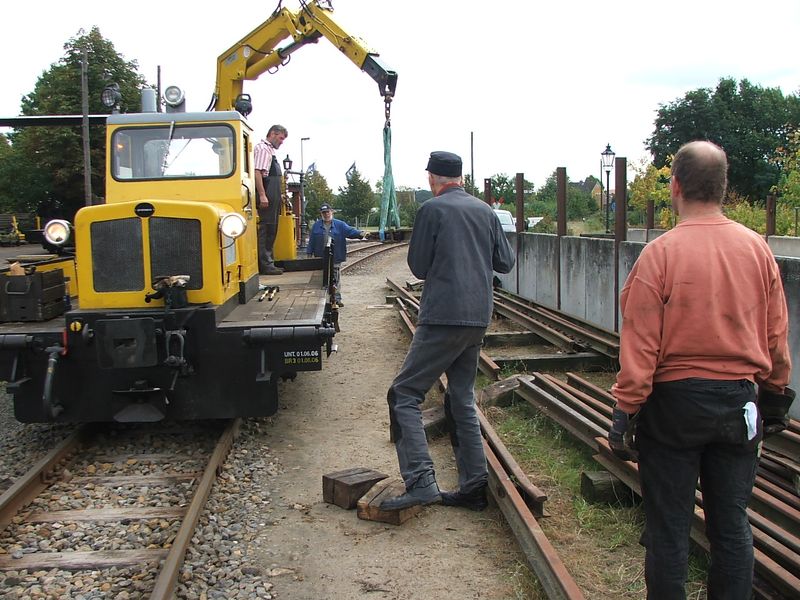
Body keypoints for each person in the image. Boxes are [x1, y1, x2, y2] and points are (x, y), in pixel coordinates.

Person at [609, 140, 793, 599]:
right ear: (723, 187)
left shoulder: (661, 254)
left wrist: (625, 410)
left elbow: (641, 345)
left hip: (674, 408)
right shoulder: (757, 249)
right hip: (739, 406)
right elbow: (776, 337)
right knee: (732, 527)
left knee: (669, 528)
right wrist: (773, 399)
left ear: (675, 187)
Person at [380, 151, 515, 511]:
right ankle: (473, 487)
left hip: (443, 316)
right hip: (477, 316)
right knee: (461, 398)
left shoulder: (432, 210)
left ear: (432, 179)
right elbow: (506, 261)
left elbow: (419, 266)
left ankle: (421, 481)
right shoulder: (485, 211)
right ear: (460, 178)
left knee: (404, 393)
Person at [306, 203, 368, 307]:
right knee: (321, 277)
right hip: (320, 256)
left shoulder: (340, 225)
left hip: (335, 256)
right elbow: (311, 240)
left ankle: (336, 299)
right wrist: (309, 252)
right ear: (321, 214)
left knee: (335, 277)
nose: (326, 214)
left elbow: (350, 231)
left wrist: (360, 234)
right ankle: (322, 298)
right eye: (324, 213)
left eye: (328, 212)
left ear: (332, 212)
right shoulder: (316, 225)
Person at [254, 125, 288, 275]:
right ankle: (265, 264)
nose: (281, 142)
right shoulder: (262, 148)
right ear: (273, 134)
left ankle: (269, 262)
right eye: (281, 138)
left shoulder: (270, 151)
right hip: (267, 192)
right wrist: (262, 194)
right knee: (266, 229)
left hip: (272, 194)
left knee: (271, 229)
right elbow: (257, 173)